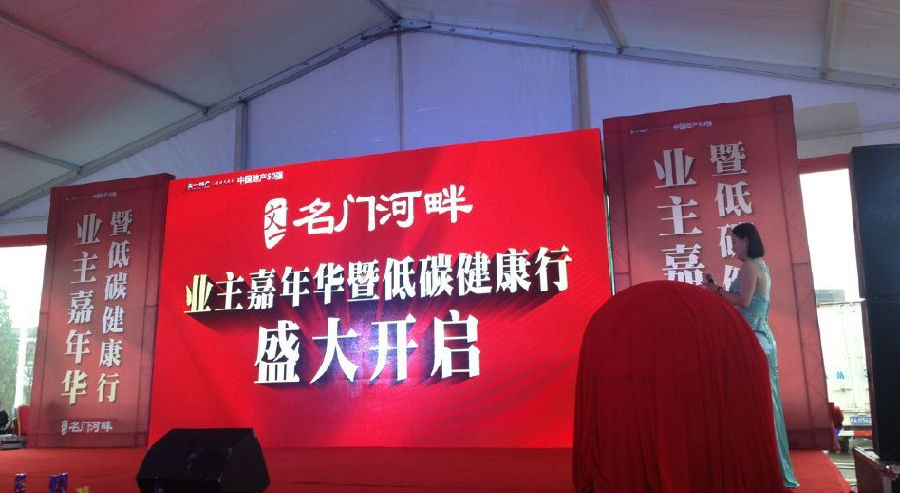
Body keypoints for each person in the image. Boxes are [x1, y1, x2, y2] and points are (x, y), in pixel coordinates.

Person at [705, 222, 799, 488]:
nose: (733, 247)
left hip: (754, 341)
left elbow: (743, 301)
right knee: (767, 404)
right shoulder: (760, 266)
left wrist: (716, 291)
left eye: (735, 242)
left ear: (746, 241)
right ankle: (771, 465)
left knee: (758, 406)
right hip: (761, 339)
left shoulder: (749, 266)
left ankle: (764, 467)